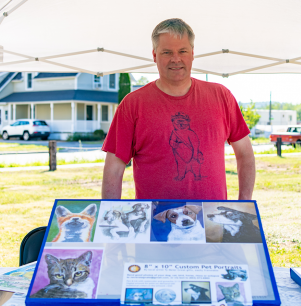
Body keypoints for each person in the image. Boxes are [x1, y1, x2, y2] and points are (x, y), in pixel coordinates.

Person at [101, 18, 255, 200]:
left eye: (182, 51)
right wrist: (109, 217)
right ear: (154, 55)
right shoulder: (133, 104)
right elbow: (114, 169)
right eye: (167, 52)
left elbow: (245, 155)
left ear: (192, 53)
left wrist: (244, 206)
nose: (176, 59)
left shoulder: (221, 96)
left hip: (210, 221)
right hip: (157, 221)